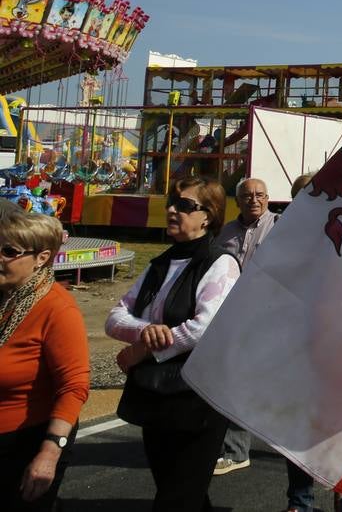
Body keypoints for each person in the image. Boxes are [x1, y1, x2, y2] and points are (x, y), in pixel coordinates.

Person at [107, 176, 240, 512]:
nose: (171, 210)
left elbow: (203, 328)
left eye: (184, 206)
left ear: (207, 216)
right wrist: (146, 332)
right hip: (155, 395)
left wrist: (141, 348)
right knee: (178, 489)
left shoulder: (220, 262)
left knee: (177, 497)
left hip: (197, 400)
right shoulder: (158, 263)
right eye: (171, 202)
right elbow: (115, 318)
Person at [0, 202, 89, 512]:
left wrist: (50, 452)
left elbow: (74, 386)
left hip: (23, 441)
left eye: (9, 252)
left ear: (41, 259)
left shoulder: (57, 309)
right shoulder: (5, 296)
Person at [212, 177, 276, 478]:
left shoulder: (281, 228)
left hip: (270, 318)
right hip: (232, 319)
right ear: (237, 200)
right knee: (232, 382)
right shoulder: (225, 233)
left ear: (268, 198)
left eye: (260, 195)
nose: (254, 200)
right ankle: (235, 450)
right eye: (248, 195)